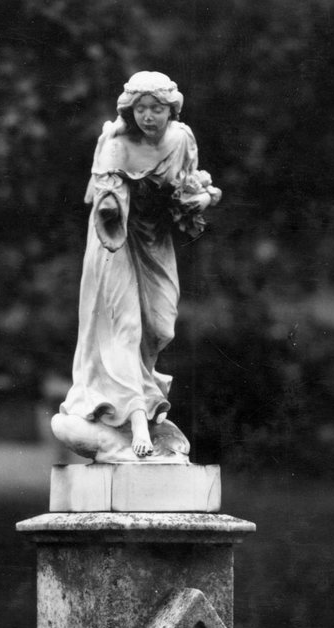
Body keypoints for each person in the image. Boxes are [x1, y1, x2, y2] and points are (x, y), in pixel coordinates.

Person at [51, 71, 221, 463]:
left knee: (160, 326)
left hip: (154, 239)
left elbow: (192, 187)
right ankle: (139, 421)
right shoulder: (116, 141)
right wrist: (110, 199)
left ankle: (138, 407)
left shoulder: (180, 140)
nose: (148, 116)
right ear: (130, 110)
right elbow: (105, 197)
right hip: (116, 241)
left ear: (170, 110)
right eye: (141, 108)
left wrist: (205, 199)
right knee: (125, 326)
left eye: (156, 108)